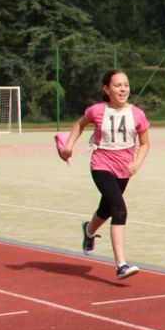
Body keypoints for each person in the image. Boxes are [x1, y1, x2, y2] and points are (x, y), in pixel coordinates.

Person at [58, 69, 150, 279]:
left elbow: (145, 143)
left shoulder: (137, 114)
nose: (123, 89)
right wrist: (68, 146)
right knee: (119, 210)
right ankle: (121, 265)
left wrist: (137, 163)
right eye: (117, 85)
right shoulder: (97, 110)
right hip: (101, 165)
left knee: (106, 209)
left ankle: (89, 231)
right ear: (106, 89)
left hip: (124, 169)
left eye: (125, 85)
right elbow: (80, 124)